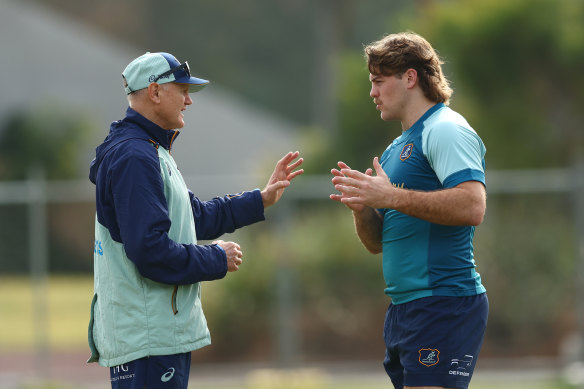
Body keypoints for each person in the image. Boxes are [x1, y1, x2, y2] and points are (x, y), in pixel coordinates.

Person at [87, 52, 303, 389]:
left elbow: (195, 216)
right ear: (155, 92)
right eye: (182, 89)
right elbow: (150, 251)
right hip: (149, 338)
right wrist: (217, 257)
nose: (189, 100)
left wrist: (260, 199)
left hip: (153, 336)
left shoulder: (148, 150)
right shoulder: (135, 156)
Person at [330, 32, 488, 389]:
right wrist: (362, 209)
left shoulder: (445, 129)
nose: (372, 92)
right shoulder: (395, 149)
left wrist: (391, 197)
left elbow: (472, 205)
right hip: (406, 308)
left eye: (378, 81)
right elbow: (376, 243)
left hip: (444, 302)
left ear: (410, 77)